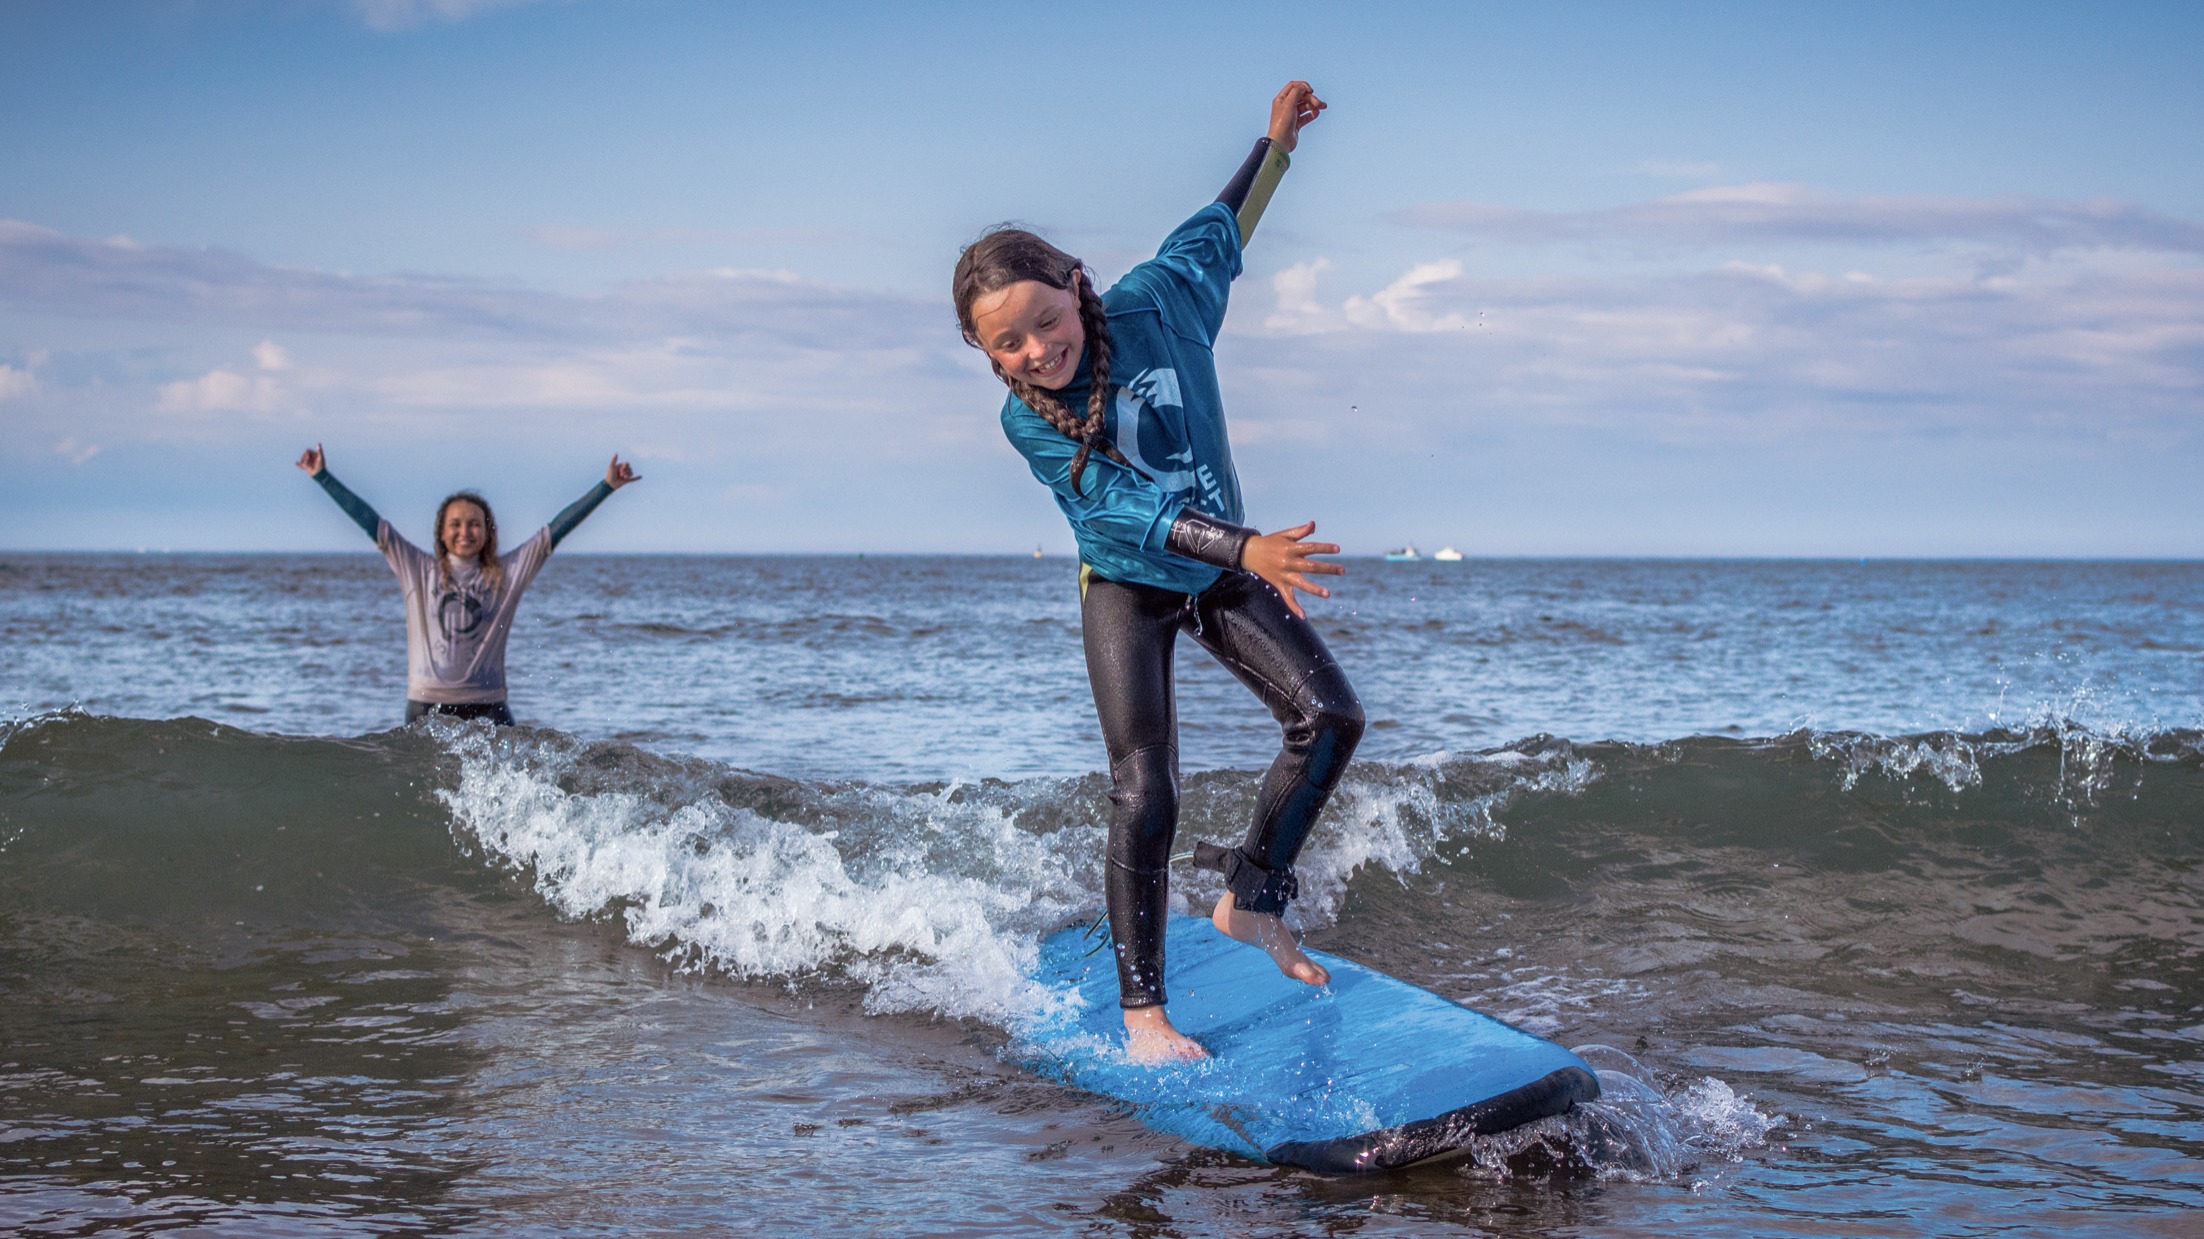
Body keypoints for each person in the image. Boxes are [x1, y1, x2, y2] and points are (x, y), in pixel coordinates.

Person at [952, 81, 1362, 1061]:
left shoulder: (1158, 302)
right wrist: (1245, 546)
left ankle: (1251, 900)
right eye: (1005, 343)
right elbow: (1127, 511)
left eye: (1045, 320)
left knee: (1329, 718)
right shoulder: (1024, 422)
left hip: (1220, 558)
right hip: (1129, 582)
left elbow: (1221, 230)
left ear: (1075, 287)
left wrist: (1276, 147)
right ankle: (1144, 1015)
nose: (1035, 349)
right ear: (986, 355)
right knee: (1146, 788)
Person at [294, 444, 639, 726]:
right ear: (441, 533)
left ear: (487, 531)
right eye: (455, 524)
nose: (465, 532)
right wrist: (322, 477)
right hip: (426, 706)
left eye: (474, 524)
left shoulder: (508, 573)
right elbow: (371, 523)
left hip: (489, 707)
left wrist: (606, 487)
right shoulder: (416, 569)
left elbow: (556, 530)